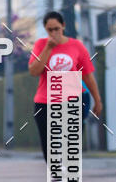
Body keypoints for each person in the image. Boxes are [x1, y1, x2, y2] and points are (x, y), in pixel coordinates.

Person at [29, 11, 102, 161]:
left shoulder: (77, 46)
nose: (54, 32)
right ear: (45, 29)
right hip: (45, 101)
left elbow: (87, 75)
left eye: (57, 28)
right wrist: (48, 49)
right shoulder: (40, 45)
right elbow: (34, 71)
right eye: (50, 30)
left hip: (73, 99)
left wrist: (97, 100)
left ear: (63, 26)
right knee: (48, 143)